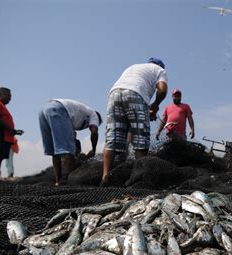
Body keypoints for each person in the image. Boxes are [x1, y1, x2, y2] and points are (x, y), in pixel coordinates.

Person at [102, 57, 168, 186]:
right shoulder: (160, 70)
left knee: (112, 138)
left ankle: (105, 177)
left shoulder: (134, 66)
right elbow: (162, 89)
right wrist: (155, 104)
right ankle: (138, 180)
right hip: (135, 94)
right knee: (140, 139)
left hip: (114, 94)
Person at [39, 99, 102, 186]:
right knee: (69, 150)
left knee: (55, 151)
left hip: (43, 111)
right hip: (59, 109)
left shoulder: (79, 114)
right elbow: (94, 132)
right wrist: (93, 150)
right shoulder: (93, 115)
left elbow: (69, 134)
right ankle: (70, 182)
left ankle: (58, 181)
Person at [0, 87, 24, 182]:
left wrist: (14, 131)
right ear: (0, 94)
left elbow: (4, 121)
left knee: (0, 157)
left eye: (10, 96)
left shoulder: (2, 106)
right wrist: (11, 129)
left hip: (5, 136)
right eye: (8, 95)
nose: (10, 98)